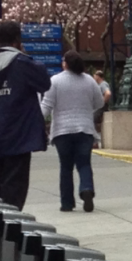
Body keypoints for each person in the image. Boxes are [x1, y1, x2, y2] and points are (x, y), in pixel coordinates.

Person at [0, 20, 51, 211]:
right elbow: (45, 82)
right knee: (16, 189)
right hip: (19, 137)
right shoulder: (22, 63)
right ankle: (11, 231)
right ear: (18, 39)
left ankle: (0, 228)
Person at [42, 50, 105, 212]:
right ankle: (86, 189)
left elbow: (46, 107)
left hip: (62, 131)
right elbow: (99, 102)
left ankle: (67, 203)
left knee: (66, 167)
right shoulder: (89, 81)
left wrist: (34, 121)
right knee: (84, 163)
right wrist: (85, 108)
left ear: (66, 64)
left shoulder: (55, 81)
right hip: (84, 129)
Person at [93, 70, 112, 146]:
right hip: (99, 106)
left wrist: (102, 103)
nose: (93, 77)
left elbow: (108, 94)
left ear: (98, 76)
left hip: (102, 107)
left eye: (94, 76)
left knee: (91, 119)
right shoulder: (100, 85)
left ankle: (95, 142)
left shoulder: (103, 84)